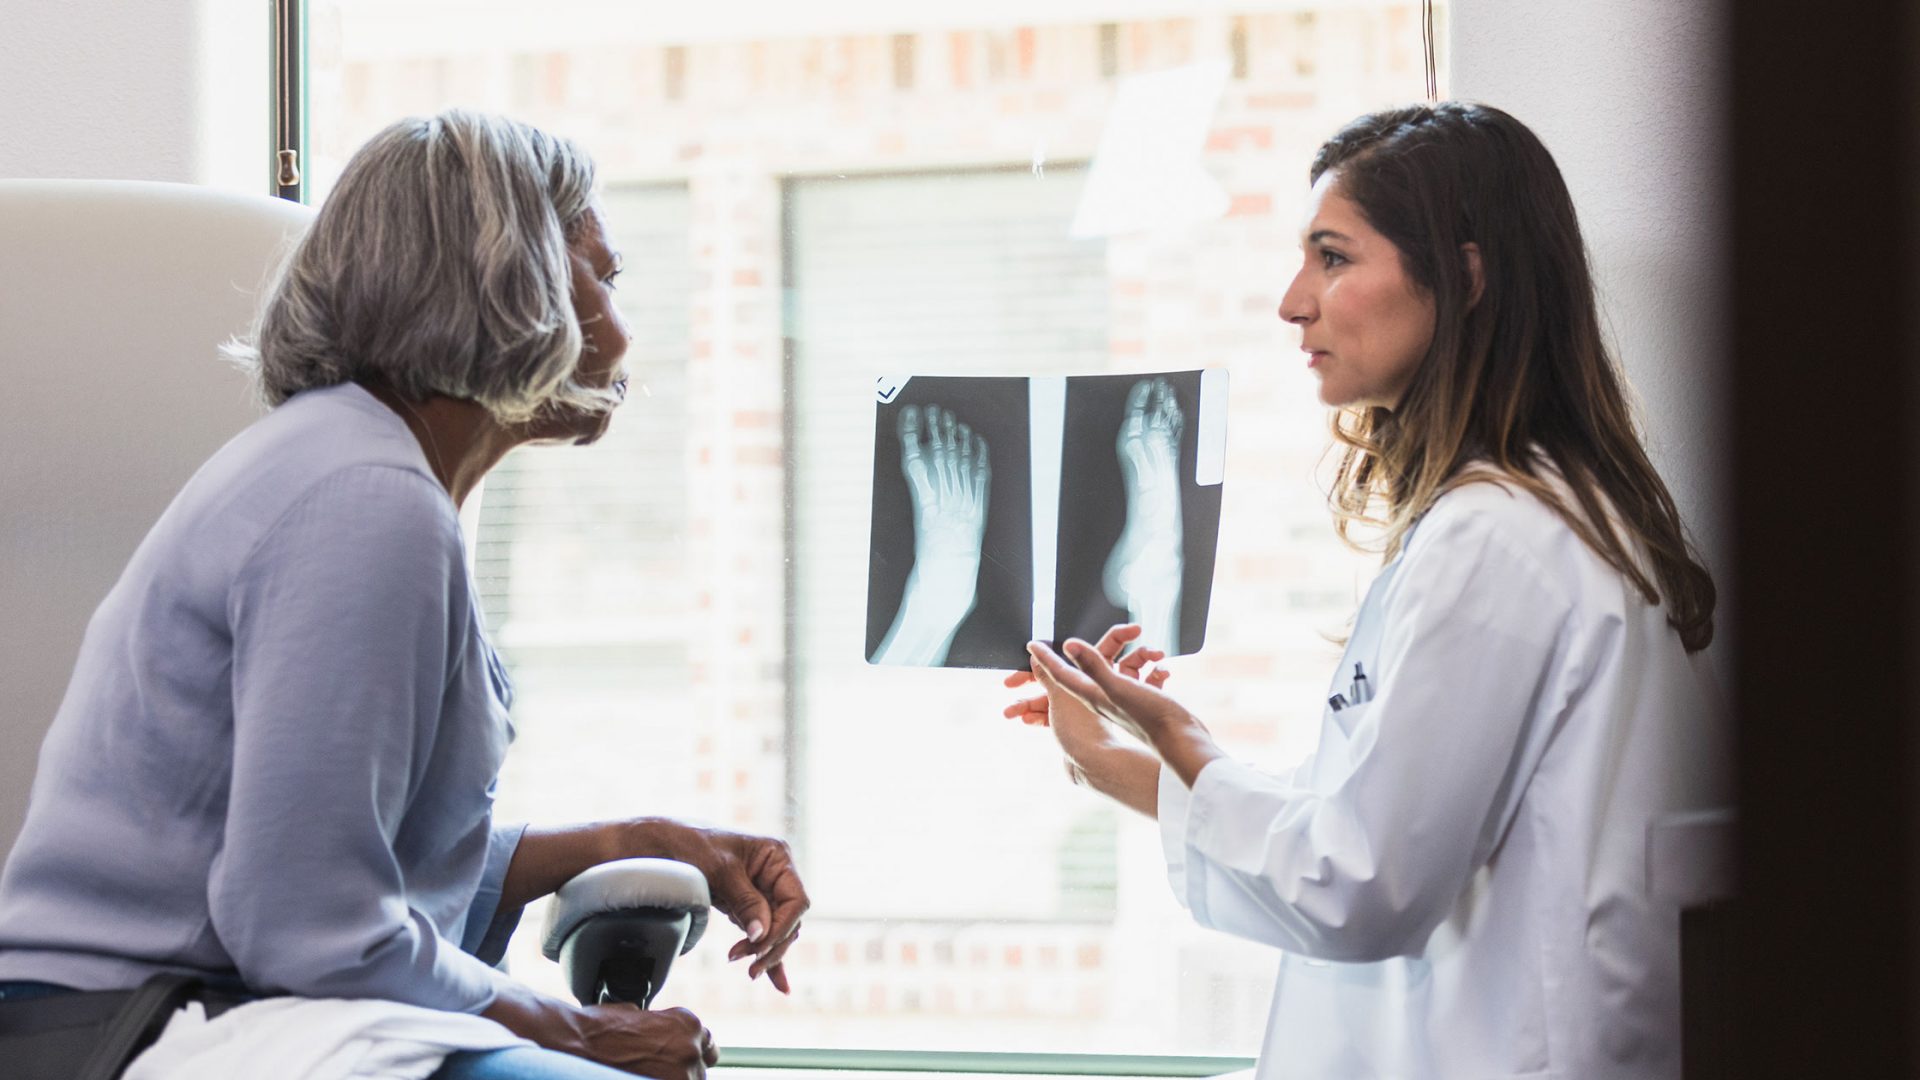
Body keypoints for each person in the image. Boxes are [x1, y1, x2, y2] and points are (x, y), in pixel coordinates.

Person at [0, 110, 807, 1080]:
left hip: (194, 1009)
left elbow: (360, 864)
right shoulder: (365, 501)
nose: (627, 329)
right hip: (134, 1034)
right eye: (606, 273)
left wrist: (640, 840)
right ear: (512, 283)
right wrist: (581, 1032)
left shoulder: (355, 466)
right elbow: (306, 924)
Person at [1008, 102, 1730, 1079]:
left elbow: (1364, 884)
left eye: (1334, 257)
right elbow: (1377, 822)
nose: (1294, 301)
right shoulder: (1543, 514)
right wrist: (1132, 763)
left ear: (1464, 278)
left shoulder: (1497, 539)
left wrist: (1178, 745)